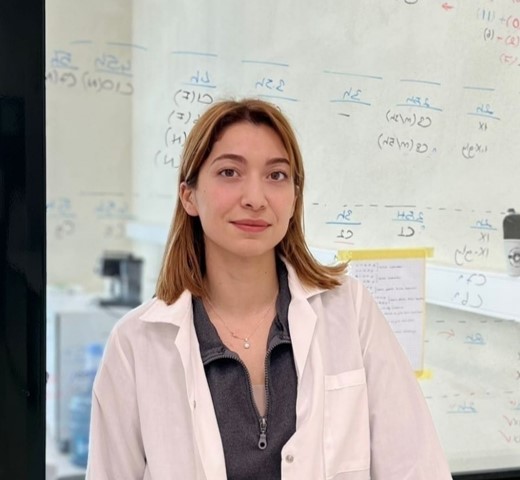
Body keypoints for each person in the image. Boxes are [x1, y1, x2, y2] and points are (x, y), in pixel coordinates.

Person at [86, 98, 452, 480]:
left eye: (276, 175)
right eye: (229, 172)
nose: (255, 199)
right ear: (189, 195)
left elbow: (418, 468)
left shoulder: (350, 311)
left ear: (294, 198)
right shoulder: (137, 344)